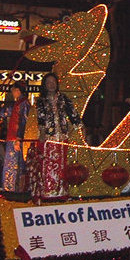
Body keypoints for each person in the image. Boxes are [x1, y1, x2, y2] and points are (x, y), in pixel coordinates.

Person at [33, 72, 83, 200]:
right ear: (45, 85)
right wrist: (43, 133)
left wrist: (80, 128)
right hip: (49, 138)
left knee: (62, 165)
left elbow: (73, 115)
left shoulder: (63, 99)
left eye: (53, 82)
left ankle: (62, 191)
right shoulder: (41, 101)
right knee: (48, 165)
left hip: (62, 138)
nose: (51, 85)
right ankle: (48, 191)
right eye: (48, 82)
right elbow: (41, 118)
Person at [0, 81, 30, 192]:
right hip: (14, 138)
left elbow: (23, 121)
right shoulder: (19, 103)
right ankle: (13, 187)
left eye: (13, 90)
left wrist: (19, 138)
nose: (12, 93)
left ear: (17, 90)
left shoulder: (23, 103)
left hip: (16, 138)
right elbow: (6, 112)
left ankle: (13, 188)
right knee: (13, 164)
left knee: (14, 164)